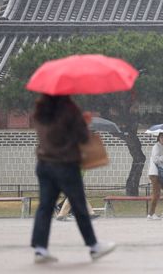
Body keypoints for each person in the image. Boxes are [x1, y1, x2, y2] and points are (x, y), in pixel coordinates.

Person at [31, 94, 115, 263]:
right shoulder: (69, 109)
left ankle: (40, 249)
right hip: (65, 164)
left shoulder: (40, 111)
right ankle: (93, 246)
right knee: (79, 204)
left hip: (44, 164)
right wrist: (84, 122)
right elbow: (82, 137)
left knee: (45, 207)